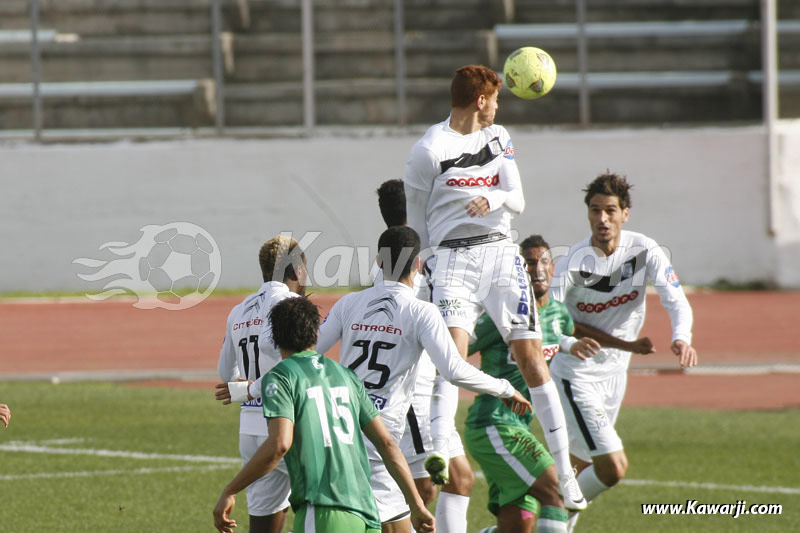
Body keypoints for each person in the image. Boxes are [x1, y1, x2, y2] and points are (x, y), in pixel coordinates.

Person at [403, 64, 585, 518]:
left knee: (532, 356)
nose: (499, 107)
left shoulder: (498, 136)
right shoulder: (429, 149)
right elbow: (414, 218)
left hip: (502, 255)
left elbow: (517, 196)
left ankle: (564, 471)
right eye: (496, 99)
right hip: (452, 260)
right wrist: (422, 267)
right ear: (480, 100)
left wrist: (495, 199)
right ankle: (439, 450)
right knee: (453, 357)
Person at [316, 226, 532, 533]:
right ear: (418, 264)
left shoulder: (349, 303)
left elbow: (308, 353)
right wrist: (505, 388)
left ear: (378, 261)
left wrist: (252, 387)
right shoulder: (421, 311)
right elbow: (454, 370)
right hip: (380, 434)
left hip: (339, 425)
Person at [549, 173, 697, 529]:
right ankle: (546, 519)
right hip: (576, 374)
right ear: (587, 214)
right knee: (612, 467)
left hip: (615, 375)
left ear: (625, 213)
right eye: (596, 210)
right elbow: (551, 321)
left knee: (580, 468)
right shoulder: (572, 263)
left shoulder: (645, 251)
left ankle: (543, 525)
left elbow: (676, 300)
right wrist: (626, 343)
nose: (602, 219)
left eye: (610, 211)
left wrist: (682, 336)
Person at [213, 296, 435, 533]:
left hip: (323, 511)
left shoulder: (281, 376)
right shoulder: (347, 376)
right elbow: (388, 443)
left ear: (274, 339)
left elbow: (279, 444)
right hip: (366, 514)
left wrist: (231, 490)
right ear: (316, 335)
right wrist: (417, 505)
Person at [465, 235, 602, 533]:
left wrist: (570, 344)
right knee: (556, 491)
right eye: (528, 263)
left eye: (542, 262)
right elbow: (455, 353)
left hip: (519, 427)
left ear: (552, 268)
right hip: (493, 423)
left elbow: (553, 338)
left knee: (518, 527)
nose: (536, 269)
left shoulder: (559, 314)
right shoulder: (502, 317)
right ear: (518, 271)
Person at [214, 235, 307, 533]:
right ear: (296, 270)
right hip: (287, 427)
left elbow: (224, 372)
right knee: (323, 516)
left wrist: (245, 388)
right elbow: (298, 366)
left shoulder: (239, 309)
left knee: (264, 526)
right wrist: (254, 387)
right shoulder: (291, 305)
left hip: (251, 430)